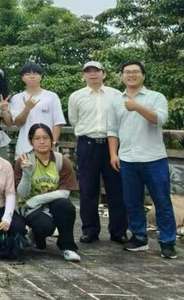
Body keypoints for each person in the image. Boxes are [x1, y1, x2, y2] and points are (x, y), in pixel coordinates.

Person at [107, 61, 176, 259]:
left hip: (154, 158)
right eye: (127, 72)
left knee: (162, 201)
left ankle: (167, 241)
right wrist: (113, 154)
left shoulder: (156, 97)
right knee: (131, 201)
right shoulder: (116, 101)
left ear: (143, 75)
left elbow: (159, 120)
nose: (131, 75)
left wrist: (137, 106)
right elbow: (112, 129)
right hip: (127, 158)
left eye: (135, 72)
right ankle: (139, 237)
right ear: (122, 76)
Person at [68, 61, 127, 244]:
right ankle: (90, 230)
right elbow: (74, 120)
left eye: (96, 71)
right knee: (88, 189)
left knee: (116, 189)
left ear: (104, 73)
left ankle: (118, 231)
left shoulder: (116, 95)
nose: (93, 74)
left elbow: (121, 118)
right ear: (83, 75)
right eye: (88, 71)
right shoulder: (76, 96)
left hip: (112, 144)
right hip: (87, 144)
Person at [15, 123, 81, 262]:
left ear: (52, 140)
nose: (42, 142)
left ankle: (68, 247)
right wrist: (27, 174)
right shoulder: (24, 160)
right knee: (45, 226)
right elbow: (22, 194)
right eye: (37, 138)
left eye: (45, 138)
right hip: (29, 206)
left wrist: (38, 199)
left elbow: (65, 192)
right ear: (31, 141)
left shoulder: (61, 160)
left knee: (66, 206)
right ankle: (37, 236)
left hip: (51, 202)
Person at [9, 63, 65, 156]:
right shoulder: (17, 98)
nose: (32, 76)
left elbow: (58, 123)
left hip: (48, 147)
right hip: (25, 148)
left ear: (41, 77)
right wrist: (27, 108)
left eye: (35, 73)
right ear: (23, 78)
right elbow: (18, 123)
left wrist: (53, 144)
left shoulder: (52, 96)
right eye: (27, 74)